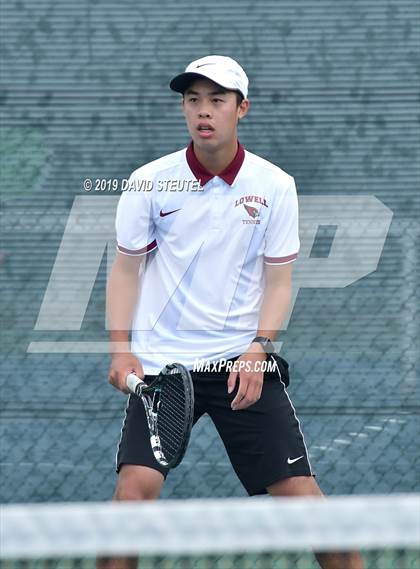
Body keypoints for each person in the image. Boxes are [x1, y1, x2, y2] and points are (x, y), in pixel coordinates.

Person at [102, 55, 364, 569]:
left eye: (217, 100)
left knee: (306, 504)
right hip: (162, 370)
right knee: (132, 500)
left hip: (240, 366)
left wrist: (259, 346)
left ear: (241, 108)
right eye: (192, 100)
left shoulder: (274, 186)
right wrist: (120, 348)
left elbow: (280, 280)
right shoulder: (149, 181)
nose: (204, 111)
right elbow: (125, 271)